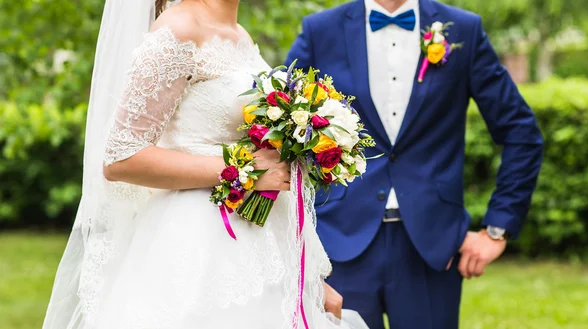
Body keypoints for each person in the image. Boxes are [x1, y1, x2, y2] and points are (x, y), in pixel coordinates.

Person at [42, 0, 369, 328]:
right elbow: (121, 157)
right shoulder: (179, 29)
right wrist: (246, 170)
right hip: (199, 246)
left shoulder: (238, 33)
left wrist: (307, 281)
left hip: (260, 240)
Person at [286, 0, 543, 328]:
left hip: (433, 247)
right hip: (339, 243)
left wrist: (497, 229)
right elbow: (279, 120)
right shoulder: (320, 30)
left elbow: (521, 131)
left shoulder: (463, 29)